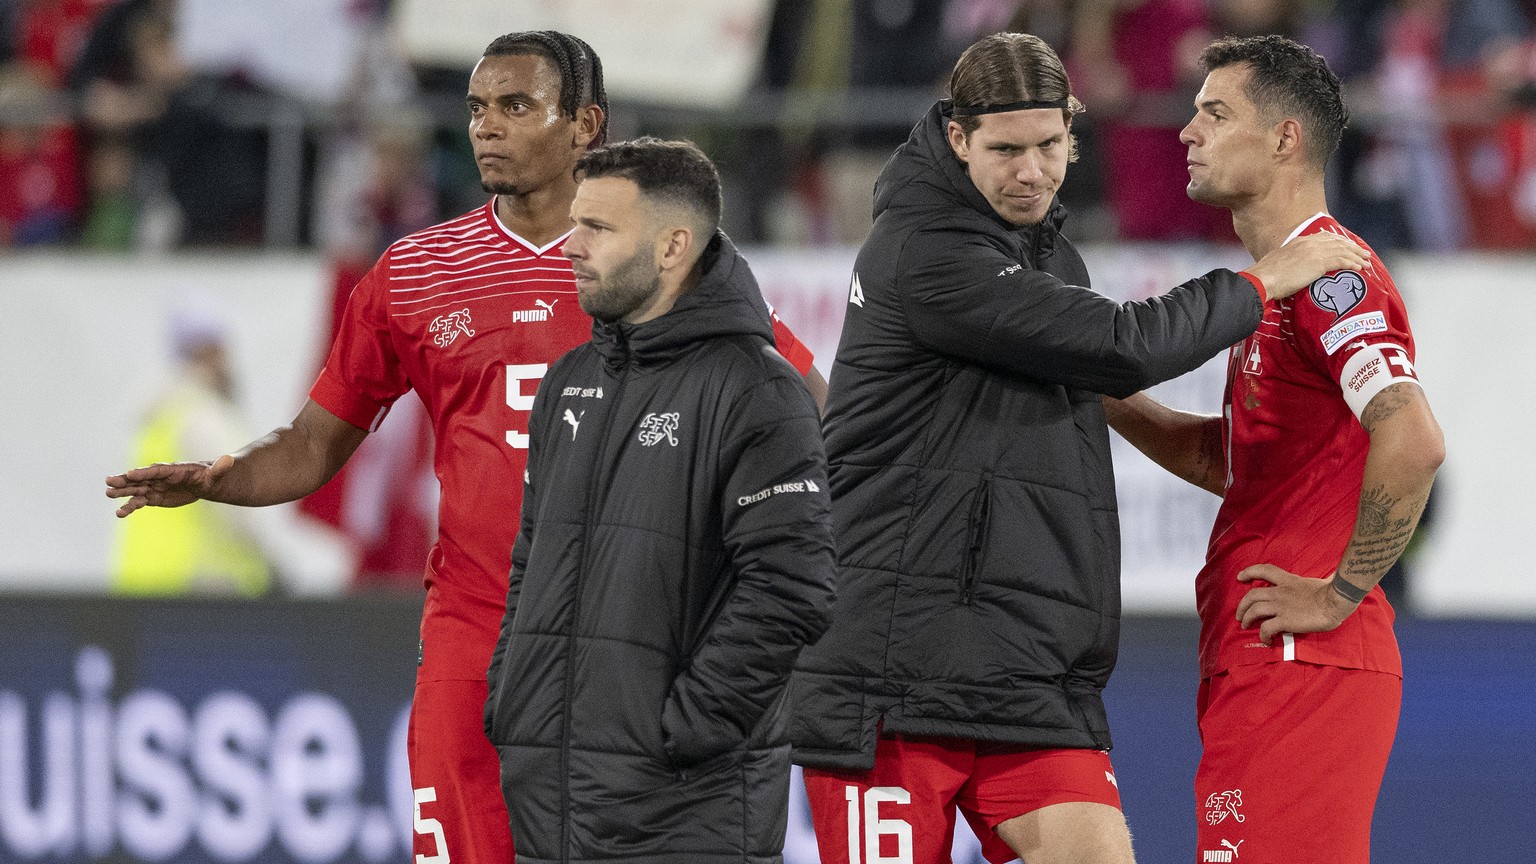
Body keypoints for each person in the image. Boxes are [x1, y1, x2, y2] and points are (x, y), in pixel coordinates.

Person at [104, 31, 823, 864]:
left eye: (516, 106)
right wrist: (222, 478)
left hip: (629, 634)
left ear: (587, 123)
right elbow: (313, 442)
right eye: (479, 107)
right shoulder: (414, 273)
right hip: (474, 631)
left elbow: (796, 400)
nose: (487, 126)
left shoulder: (653, 262)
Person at [786, 31, 1368, 864]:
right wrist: (1262, 279)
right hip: (891, 676)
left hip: (1025, 675)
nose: (1031, 171)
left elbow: (1094, 374)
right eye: (1005, 150)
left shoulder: (1052, 254)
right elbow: (1124, 345)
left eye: (1049, 145)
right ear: (957, 139)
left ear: (1072, 127)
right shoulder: (923, 249)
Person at [1103, 35, 1444, 863]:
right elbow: (1228, 464)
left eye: (1215, 114)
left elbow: (1413, 436)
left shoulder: (1335, 277)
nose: (1187, 132)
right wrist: (1096, 387)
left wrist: (1340, 594)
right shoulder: (1281, 287)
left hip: (1306, 656)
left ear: (1286, 139)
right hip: (1261, 661)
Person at [483, 137, 836, 862]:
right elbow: (530, 561)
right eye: (575, 224)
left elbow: (793, 586)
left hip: (687, 816)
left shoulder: (759, 390)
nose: (570, 248)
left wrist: (686, 729)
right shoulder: (569, 380)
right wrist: (511, 694)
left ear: (674, 246)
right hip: (552, 808)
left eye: (598, 230)